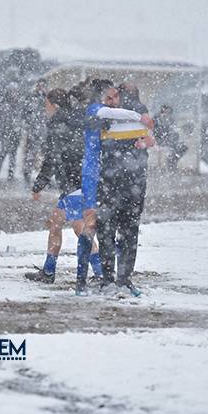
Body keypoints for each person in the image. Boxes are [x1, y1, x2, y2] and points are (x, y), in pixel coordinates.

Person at [81, 79, 154, 297]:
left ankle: (123, 279)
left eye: (117, 97)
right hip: (111, 183)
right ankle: (108, 279)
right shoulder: (103, 116)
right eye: (111, 97)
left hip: (133, 184)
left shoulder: (134, 114)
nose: (114, 101)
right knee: (108, 231)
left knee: (128, 232)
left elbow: (151, 134)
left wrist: (148, 140)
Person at [26, 87, 103, 287]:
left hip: (74, 182)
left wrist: (38, 186)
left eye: (46, 106)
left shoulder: (58, 125)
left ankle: (100, 272)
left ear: (54, 105)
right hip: (79, 179)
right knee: (55, 222)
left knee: (80, 228)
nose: (45, 110)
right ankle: (49, 270)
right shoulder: (76, 118)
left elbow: (52, 158)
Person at [0, 85, 22, 181]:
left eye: (16, 92)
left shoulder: (18, 105)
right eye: (12, 92)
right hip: (6, 132)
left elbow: (20, 118)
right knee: (3, 154)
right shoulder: (4, 104)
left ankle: (10, 175)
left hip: (15, 133)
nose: (14, 94)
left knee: (12, 155)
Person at [22, 79, 48, 184]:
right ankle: (27, 175)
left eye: (43, 85)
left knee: (45, 156)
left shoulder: (47, 98)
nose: (41, 87)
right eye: (39, 85)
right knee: (30, 154)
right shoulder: (31, 97)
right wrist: (29, 125)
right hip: (33, 130)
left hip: (44, 131)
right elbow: (25, 112)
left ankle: (44, 177)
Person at [154, 105, 188, 171]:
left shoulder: (170, 119)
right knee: (174, 144)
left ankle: (172, 161)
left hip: (169, 139)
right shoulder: (157, 118)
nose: (167, 113)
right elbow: (155, 130)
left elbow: (173, 128)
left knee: (183, 147)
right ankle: (171, 161)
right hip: (160, 139)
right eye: (166, 111)